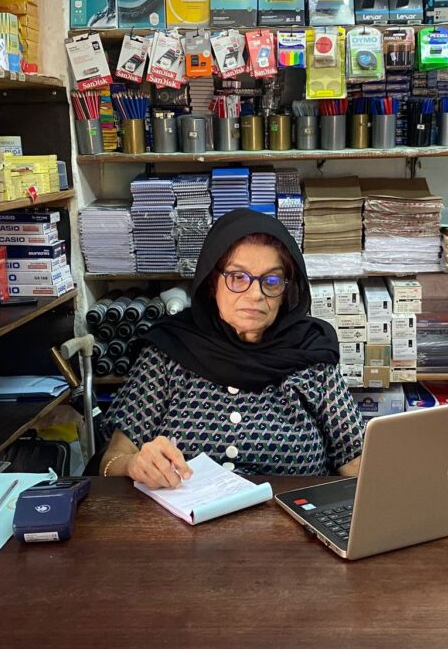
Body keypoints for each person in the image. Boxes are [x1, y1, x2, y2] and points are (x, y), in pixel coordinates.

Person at [99, 209, 364, 489]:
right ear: (213, 283)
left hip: (290, 524)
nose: (255, 294)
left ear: (287, 290)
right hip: (181, 527)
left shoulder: (312, 355)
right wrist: (134, 464)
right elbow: (113, 459)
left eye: (271, 281)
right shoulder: (168, 350)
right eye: (238, 277)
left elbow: (357, 461)